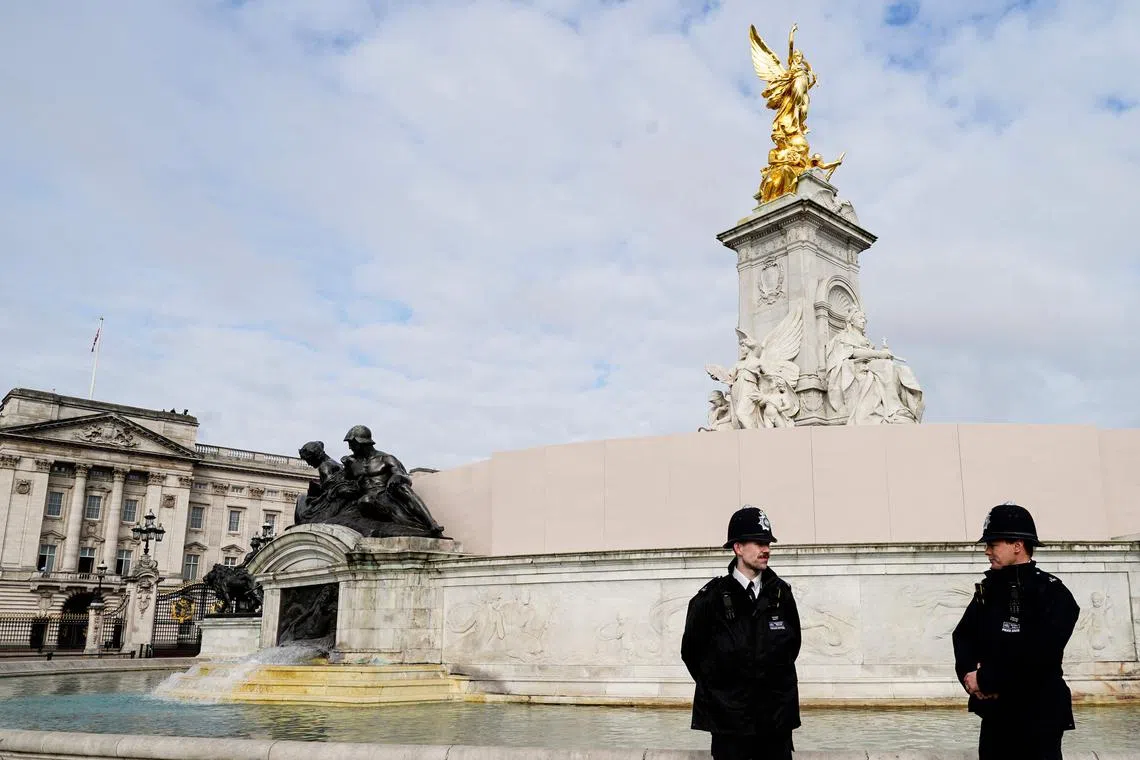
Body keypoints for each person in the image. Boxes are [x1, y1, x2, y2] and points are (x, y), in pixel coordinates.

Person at [952, 503, 1081, 760]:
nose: (987, 551)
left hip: (1038, 713)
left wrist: (987, 679)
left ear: (1017, 545)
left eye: (993, 543)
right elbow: (963, 636)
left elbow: (1039, 655)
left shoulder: (1053, 593)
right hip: (996, 713)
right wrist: (970, 678)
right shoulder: (988, 590)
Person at [681, 506, 801, 760]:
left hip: (775, 727)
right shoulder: (709, 599)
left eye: (767, 542)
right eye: (758, 543)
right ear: (737, 548)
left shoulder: (781, 594)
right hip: (730, 729)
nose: (766, 549)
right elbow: (691, 653)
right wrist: (724, 694)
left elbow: (793, 647)